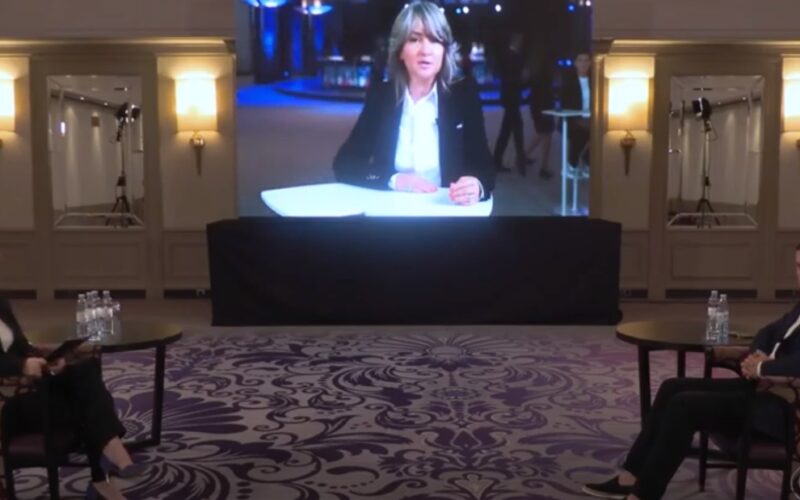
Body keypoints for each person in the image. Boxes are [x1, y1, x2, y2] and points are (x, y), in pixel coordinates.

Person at [582, 244, 800, 500]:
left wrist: (762, 367)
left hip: (781, 410)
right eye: (799, 266)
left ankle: (644, 495)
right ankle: (630, 477)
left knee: (684, 405)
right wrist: (757, 355)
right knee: (673, 387)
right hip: (761, 390)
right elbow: (768, 332)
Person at [333, 1, 495, 206]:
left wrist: (476, 185)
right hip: (392, 211)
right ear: (400, 50)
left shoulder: (463, 96)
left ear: (444, 50)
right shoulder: (382, 96)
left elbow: (485, 168)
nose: (425, 50)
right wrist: (394, 179)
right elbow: (344, 164)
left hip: (445, 210)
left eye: (435, 40)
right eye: (415, 39)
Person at [0, 298, 146, 500]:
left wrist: (46, 358)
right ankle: (110, 461)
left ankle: (108, 463)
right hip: (9, 406)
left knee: (85, 371)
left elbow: (20, 346)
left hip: (30, 387)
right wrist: (21, 366)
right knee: (85, 402)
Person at [492, 32, 529, 175]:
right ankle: (520, 161)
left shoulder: (507, 55)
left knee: (507, 130)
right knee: (516, 131)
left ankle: (500, 160)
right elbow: (512, 78)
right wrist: (523, 80)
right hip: (512, 97)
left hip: (509, 97)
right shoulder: (513, 57)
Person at [525, 53, 556, 179]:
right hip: (544, 108)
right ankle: (544, 167)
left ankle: (524, 157)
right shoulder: (545, 76)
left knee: (541, 134)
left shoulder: (536, 75)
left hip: (538, 108)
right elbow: (546, 93)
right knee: (546, 136)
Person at [560, 52, 591, 170]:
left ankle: (587, 160)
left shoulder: (595, 81)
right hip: (574, 119)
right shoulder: (569, 82)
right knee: (581, 131)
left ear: (590, 63)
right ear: (575, 63)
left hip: (591, 119)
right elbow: (565, 103)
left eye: (586, 60)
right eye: (580, 60)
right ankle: (572, 163)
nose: (583, 63)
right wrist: (579, 117)